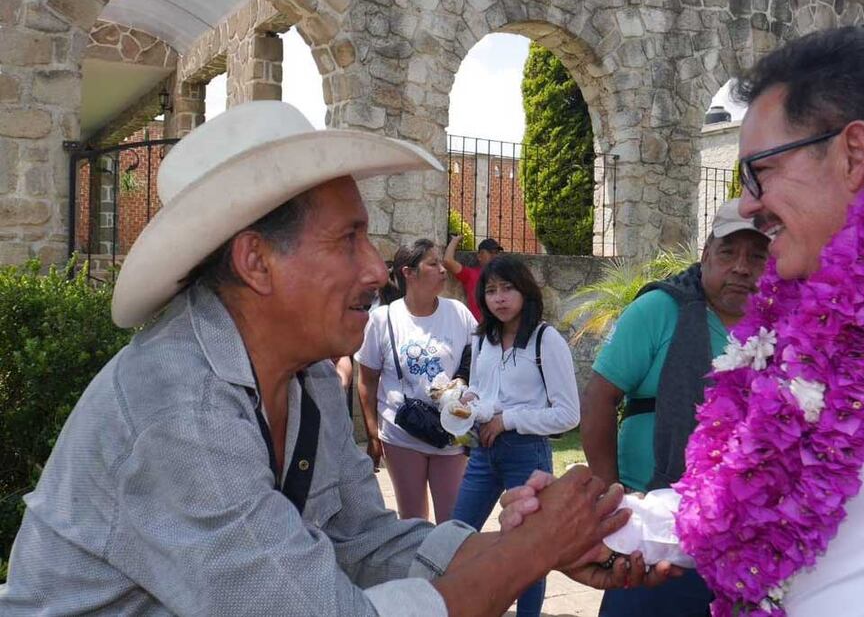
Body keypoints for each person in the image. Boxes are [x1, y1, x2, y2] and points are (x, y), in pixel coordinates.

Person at [0, 101, 655, 616]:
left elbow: (362, 540)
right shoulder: (180, 413)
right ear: (256, 261)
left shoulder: (306, 376)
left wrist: (527, 545)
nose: (377, 269)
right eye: (349, 239)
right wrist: (531, 548)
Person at [512, 26, 864, 616]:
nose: (749, 203)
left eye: (760, 171)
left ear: (853, 153)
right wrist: (603, 528)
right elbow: (746, 497)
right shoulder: (803, 318)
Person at [579, 198, 770, 616]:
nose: (741, 267)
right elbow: (598, 398)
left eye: (757, 257)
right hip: (657, 534)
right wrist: (615, 498)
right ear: (705, 256)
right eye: (728, 252)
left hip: (746, 539)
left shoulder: (779, 328)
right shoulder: (659, 311)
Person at [450, 254, 581, 617]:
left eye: (508, 288)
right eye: (491, 290)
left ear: (525, 291)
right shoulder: (482, 340)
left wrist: (508, 420)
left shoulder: (545, 340)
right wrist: (460, 402)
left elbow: (568, 415)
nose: (500, 298)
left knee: (527, 549)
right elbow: (479, 392)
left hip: (526, 452)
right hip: (483, 450)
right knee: (453, 536)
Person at [355, 239, 474, 523]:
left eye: (440, 263)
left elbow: (479, 363)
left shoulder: (459, 314)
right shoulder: (383, 319)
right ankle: (418, 569)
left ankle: (449, 569)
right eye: (432, 263)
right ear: (408, 272)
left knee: (452, 521)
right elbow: (367, 381)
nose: (442, 269)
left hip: (450, 434)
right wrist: (373, 433)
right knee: (412, 522)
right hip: (401, 435)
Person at [444, 235, 503, 320]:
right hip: (478, 328)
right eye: (490, 252)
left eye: (496, 252)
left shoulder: (505, 275)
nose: (494, 256)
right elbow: (447, 261)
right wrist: (455, 240)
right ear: (479, 256)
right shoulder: (471, 274)